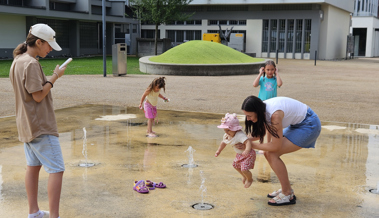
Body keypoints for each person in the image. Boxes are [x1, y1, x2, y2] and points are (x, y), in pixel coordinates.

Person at [9, 24, 66, 218]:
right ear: (39, 42)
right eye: (48, 45)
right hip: (40, 126)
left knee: (32, 168)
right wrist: (55, 78)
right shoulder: (31, 63)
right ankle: (54, 216)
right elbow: (38, 96)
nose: (50, 49)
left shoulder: (18, 60)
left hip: (26, 125)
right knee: (57, 169)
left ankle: (34, 212)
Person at [240, 96, 321, 206]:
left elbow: (275, 147)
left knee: (272, 153)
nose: (248, 119)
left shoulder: (275, 115)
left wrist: (251, 145)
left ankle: (287, 193)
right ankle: (287, 189)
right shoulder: (262, 109)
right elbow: (260, 132)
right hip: (297, 124)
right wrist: (242, 139)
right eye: (246, 116)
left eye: (249, 116)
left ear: (257, 111)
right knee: (269, 152)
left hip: (309, 124)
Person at [215, 113, 256, 188]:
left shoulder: (239, 135)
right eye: (225, 130)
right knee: (235, 165)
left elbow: (248, 142)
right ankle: (244, 176)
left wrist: (247, 150)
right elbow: (223, 143)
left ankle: (249, 179)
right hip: (239, 154)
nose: (226, 132)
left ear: (235, 129)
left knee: (244, 169)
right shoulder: (227, 135)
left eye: (228, 130)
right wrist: (219, 151)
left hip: (248, 154)